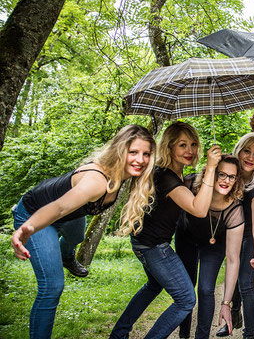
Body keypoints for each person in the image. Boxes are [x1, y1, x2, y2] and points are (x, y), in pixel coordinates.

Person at [11, 124, 156, 339]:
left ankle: (66, 256)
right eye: (133, 152)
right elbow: (58, 207)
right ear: (119, 150)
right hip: (36, 215)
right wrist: (29, 227)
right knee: (52, 287)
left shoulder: (123, 176)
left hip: (68, 215)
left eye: (146, 154)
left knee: (77, 236)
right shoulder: (96, 182)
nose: (140, 160)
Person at [110, 122, 220, 339]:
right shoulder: (166, 177)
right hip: (154, 247)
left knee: (153, 286)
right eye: (182, 145)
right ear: (169, 148)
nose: (190, 151)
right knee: (186, 299)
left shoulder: (168, 174)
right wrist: (212, 168)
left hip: (143, 243)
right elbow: (199, 209)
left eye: (193, 144)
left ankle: (119, 334)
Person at [175, 154, 245, 339]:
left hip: (214, 245)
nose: (226, 180)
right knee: (187, 288)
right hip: (186, 238)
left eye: (231, 176)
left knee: (206, 289)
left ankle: (202, 336)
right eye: (221, 174)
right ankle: (184, 335)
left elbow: (232, 260)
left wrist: (226, 303)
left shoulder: (235, 210)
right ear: (210, 172)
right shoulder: (190, 184)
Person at [212, 132, 254, 339]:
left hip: (250, 237)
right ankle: (233, 318)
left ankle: (249, 334)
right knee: (232, 277)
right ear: (239, 150)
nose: (251, 157)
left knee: (245, 282)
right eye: (247, 151)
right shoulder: (227, 174)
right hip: (229, 234)